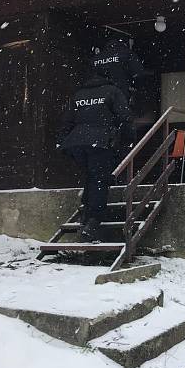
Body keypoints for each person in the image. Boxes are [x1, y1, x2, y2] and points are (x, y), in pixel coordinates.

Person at [57, 75, 134, 242]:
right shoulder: (113, 91)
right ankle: (94, 220)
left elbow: (67, 121)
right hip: (100, 140)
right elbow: (124, 117)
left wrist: (62, 141)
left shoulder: (79, 95)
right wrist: (128, 139)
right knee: (100, 178)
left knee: (89, 177)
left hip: (76, 142)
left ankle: (86, 215)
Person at [91, 34, 145, 101]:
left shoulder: (96, 58)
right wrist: (134, 85)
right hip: (120, 92)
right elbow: (138, 72)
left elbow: (91, 75)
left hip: (99, 95)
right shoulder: (127, 53)